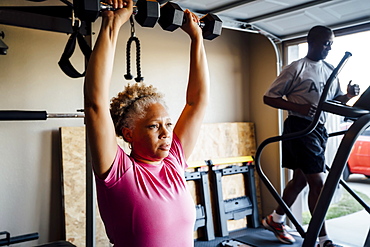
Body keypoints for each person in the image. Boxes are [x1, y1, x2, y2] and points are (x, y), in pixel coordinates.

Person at [83, 0, 210, 246]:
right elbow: (95, 104)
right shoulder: (119, 171)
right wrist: (112, 22)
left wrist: (197, 39)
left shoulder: (173, 162)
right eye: (153, 126)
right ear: (128, 134)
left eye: (168, 125)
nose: (166, 133)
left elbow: (197, 102)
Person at [262, 25, 360, 247]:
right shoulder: (296, 68)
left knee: (299, 181)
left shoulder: (329, 69)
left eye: (331, 44)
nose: (329, 48)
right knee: (318, 184)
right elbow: (269, 98)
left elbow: (334, 103)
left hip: (318, 130)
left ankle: (275, 220)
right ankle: (322, 239)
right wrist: (300, 107)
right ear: (312, 42)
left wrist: (348, 95)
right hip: (299, 127)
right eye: (326, 43)